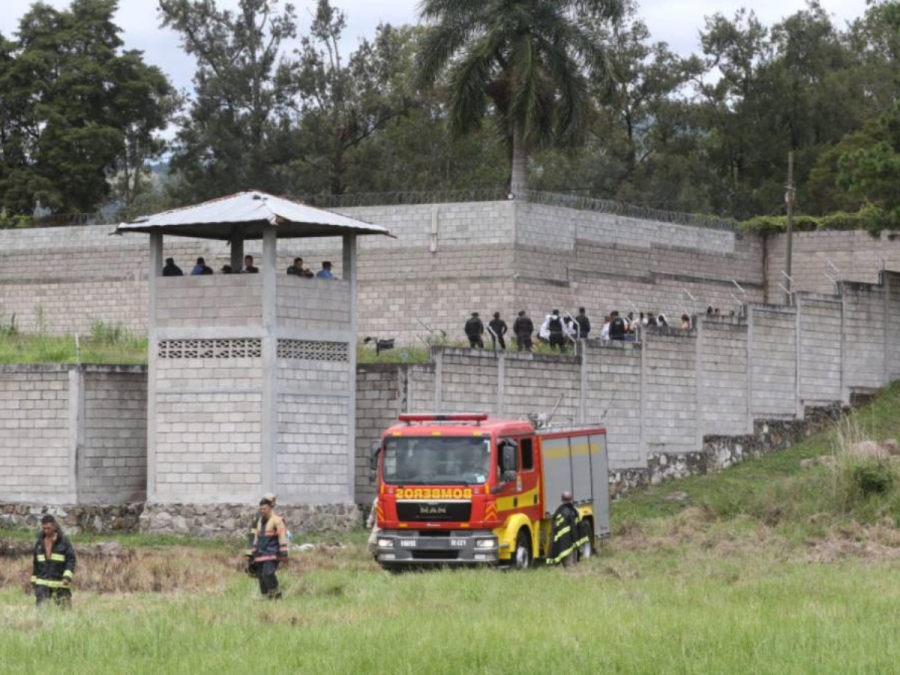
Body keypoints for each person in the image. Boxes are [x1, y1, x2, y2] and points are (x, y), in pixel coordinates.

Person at [32, 515, 76, 607]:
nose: (46, 531)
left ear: (54, 526)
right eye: (44, 528)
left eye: (48, 528)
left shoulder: (64, 542)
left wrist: (67, 577)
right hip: (42, 584)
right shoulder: (39, 543)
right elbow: (36, 563)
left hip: (60, 583)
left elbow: (71, 560)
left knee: (65, 612)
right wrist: (34, 581)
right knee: (41, 612)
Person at [250, 498, 288, 599]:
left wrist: (284, 552)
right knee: (261, 577)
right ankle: (266, 598)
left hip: (272, 553)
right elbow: (256, 538)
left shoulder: (277, 520)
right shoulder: (258, 521)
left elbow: (282, 536)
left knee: (268, 573)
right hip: (260, 554)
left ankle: (277, 594)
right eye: (261, 509)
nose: (262, 511)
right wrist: (252, 553)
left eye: (264, 509)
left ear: (270, 508)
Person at [548, 492, 582, 567]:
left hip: (558, 545)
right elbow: (575, 529)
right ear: (571, 500)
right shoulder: (573, 512)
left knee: (560, 566)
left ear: (562, 500)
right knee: (570, 566)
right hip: (569, 545)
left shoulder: (558, 511)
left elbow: (553, 527)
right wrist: (577, 543)